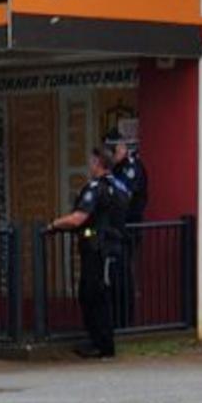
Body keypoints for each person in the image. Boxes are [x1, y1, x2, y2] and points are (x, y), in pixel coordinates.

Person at [47, 147, 129, 359]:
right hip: (114, 246)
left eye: (92, 162)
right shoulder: (120, 186)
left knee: (93, 295)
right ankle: (102, 343)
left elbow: (78, 218)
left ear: (98, 164)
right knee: (101, 294)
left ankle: (101, 345)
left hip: (97, 248)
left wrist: (54, 224)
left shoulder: (96, 187)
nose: (90, 166)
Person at [104, 127, 148, 327]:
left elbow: (124, 197)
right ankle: (116, 321)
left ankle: (125, 323)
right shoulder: (114, 168)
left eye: (112, 149)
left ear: (121, 147)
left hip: (128, 229)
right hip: (114, 229)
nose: (110, 155)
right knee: (113, 276)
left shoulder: (132, 167)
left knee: (123, 276)